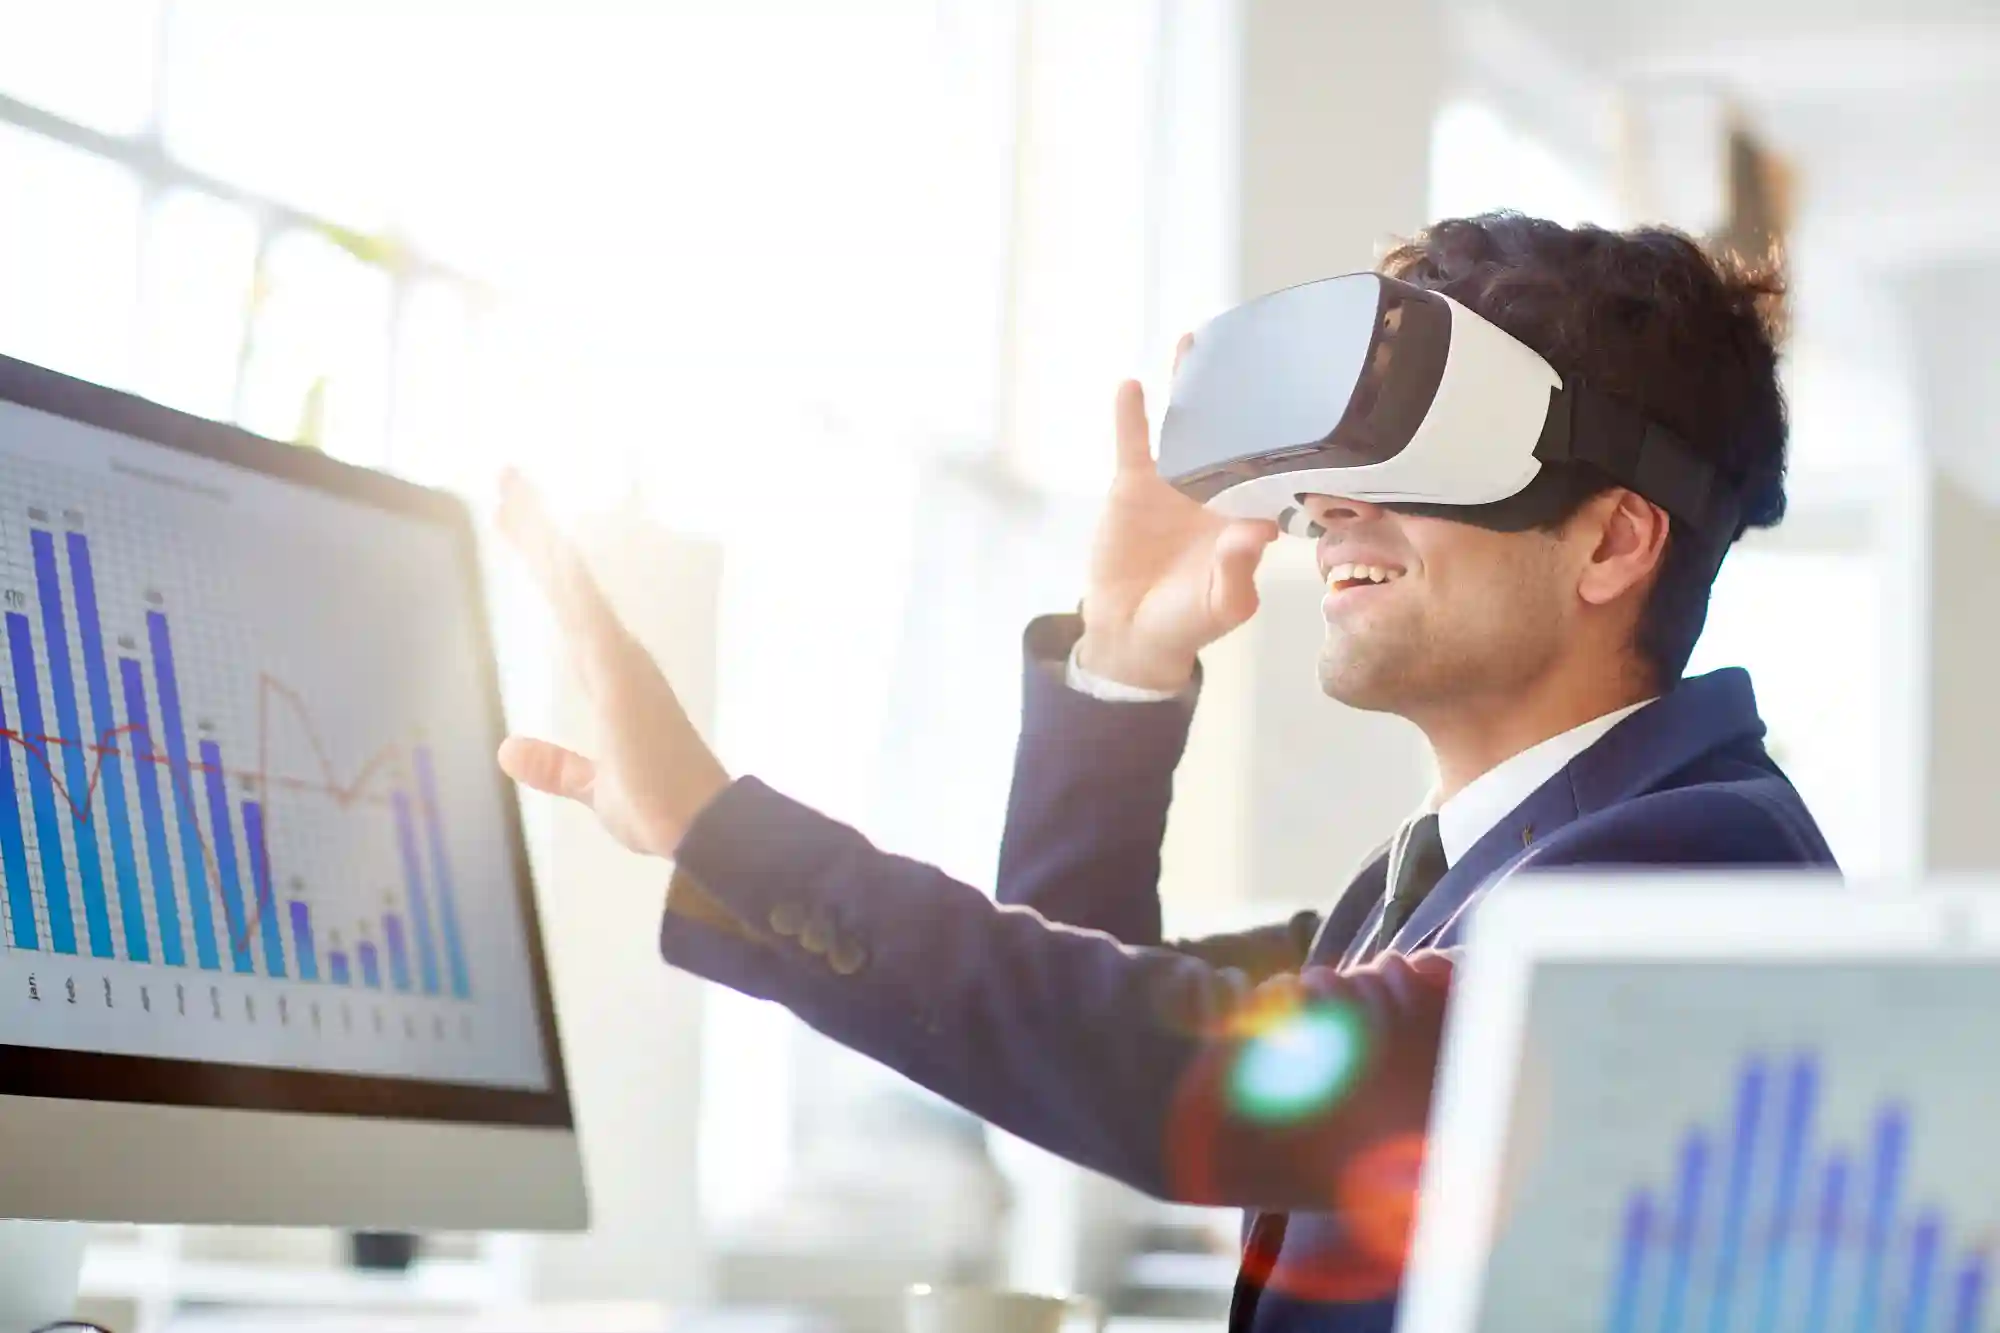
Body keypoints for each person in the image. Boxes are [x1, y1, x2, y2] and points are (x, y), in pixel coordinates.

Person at [494, 213, 1837, 1333]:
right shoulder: (1442, 887)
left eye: (1411, 458)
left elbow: (1182, 1075)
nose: (1329, 506)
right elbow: (1093, 1006)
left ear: (1613, 545)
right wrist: (1121, 674)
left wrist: (725, 831)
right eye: (1328, 467)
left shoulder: (1699, 878)